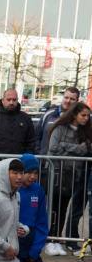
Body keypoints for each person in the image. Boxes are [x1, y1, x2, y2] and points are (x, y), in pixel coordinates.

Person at [47, 101, 92, 247]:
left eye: (88, 116)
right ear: (74, 115)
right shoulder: (60, 128)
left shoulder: (86, 131)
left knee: (72, 208)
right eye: (83, 115)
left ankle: (68, 240)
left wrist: (68, 148)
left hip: (78, 173)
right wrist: (76, 148)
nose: (86, 118)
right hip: (60, 173)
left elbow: (87, 149)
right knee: (57, 207)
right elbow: (53, 147)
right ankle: (52, 239)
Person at [17, 154, 52, 262]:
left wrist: (35, 250)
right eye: (28, 172)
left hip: (31, 245)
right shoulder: (13, 190)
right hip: (16, 245)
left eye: (35, 173)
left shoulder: (38, 190)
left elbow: (42, 223)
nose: (32, 176)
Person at [0, 89, 36, 156]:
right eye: (8, 99)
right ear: (3, 100)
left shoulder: (25, 118)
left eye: (14, 100)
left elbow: (31, 141)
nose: (11, 102)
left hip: (19, 162)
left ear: (17, 100)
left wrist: (27, 157)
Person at [38, 86, 80, 154]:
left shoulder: (80, 118)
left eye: (72, 99)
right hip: (45, 160)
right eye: (66, 97)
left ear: (77, 101)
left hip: (69, 162)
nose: (68, 101)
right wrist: (39, 152)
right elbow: (37, 136)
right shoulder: (49, 114)